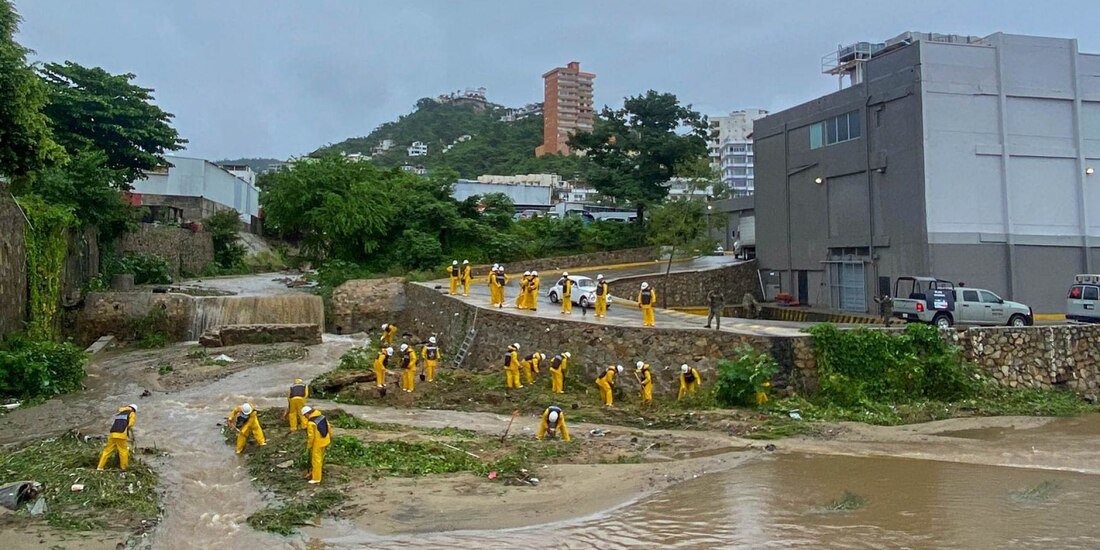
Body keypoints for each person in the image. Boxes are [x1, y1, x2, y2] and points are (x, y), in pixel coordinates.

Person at [97, 404, 137, 471]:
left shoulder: (120, 413)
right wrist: (128, 430)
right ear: (134, 410)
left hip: (113, 434)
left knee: (107, 451)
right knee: (123, 451)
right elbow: (130, 424)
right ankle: (124, 468)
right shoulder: (131, 413)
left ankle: (100, 467)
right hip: (121, 434)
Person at [302, 406, 331, 484]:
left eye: (305, 415)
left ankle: (316, 478)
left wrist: (309, 446)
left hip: (317, 443)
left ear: (307, 413)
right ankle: (316, 472)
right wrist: (331, 437)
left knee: (316, 461)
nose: (305, 417)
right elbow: (328, 427)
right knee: (320, 459)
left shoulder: (311, 423)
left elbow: (311, 437)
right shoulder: (322, 417)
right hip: (325, 440)